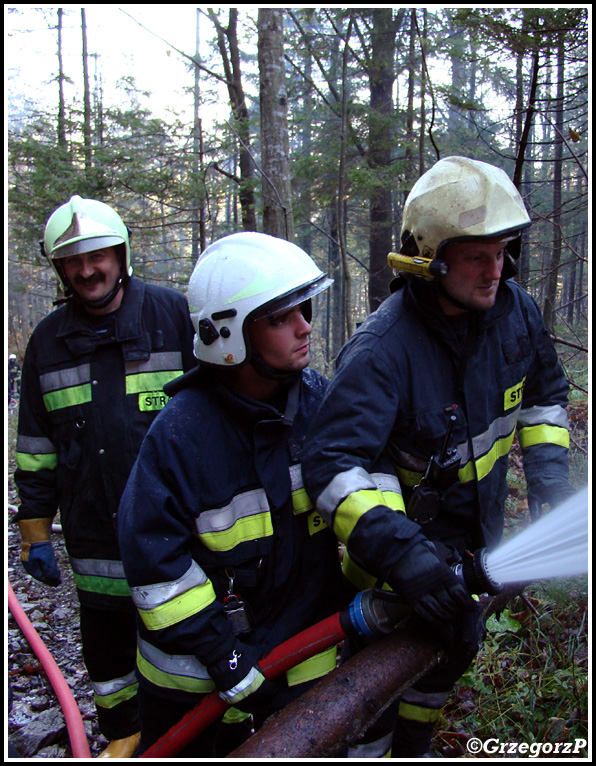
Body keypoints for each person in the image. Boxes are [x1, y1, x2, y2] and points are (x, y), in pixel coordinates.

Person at [301, 156, 575, 757]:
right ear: (432, 259)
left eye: (503, 251)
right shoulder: (382, 350)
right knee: (373, 687)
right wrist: (408, 561)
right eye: (477, 255)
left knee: (449, 660)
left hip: (476, 548)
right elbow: (330, 465)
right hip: (398, 573)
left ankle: (415, 745)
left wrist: (552, 485)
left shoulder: (516, 315)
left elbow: (546, 400)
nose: (495, 270)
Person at [117, 232, 348, 757]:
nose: (305, 325)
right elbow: (154, 567)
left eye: (304, 308)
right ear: (229, 336)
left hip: (299, 654)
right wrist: (222, 656)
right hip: (189, 681)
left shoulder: (318, 404)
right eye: (280, 317)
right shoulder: (181, 433)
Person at [13, 195, 196, 758]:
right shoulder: (47, 341)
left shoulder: (172, 317)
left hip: (177, 526)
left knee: (184, 635)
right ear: (60, 269)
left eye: (97, 256)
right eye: (73, 261)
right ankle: (123, 734)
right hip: (92, 531)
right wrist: (35, 530)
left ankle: (197, 730)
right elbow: (38, 446)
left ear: (121, 255)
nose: (88, 270)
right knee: (106, 644)